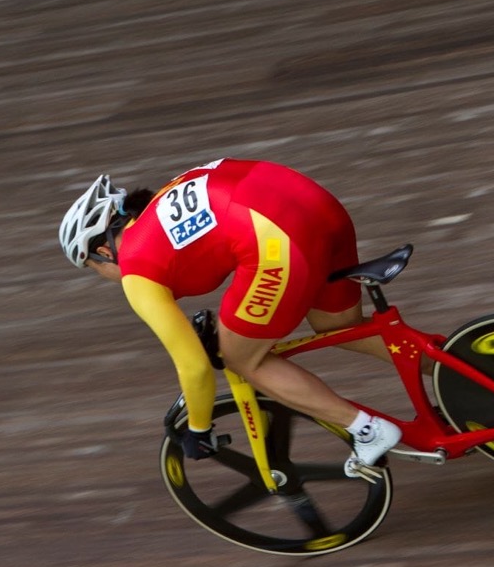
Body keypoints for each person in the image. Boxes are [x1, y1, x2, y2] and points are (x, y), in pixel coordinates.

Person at [58, 158, 401, 476]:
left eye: (93, 269)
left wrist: (199, 428)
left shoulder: (136, 269)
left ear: (103, 252)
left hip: (277, 236)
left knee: (241, 357)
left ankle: (367, 430)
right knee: (338, 326)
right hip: (316, 204)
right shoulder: (163, 201)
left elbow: (193, 367)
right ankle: (450, 368)